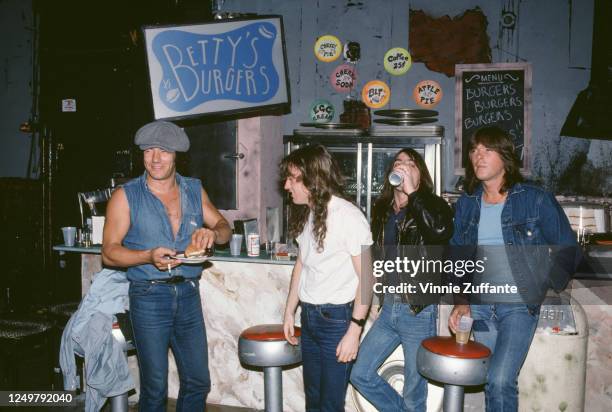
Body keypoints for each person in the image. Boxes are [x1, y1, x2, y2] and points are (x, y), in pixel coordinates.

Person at [447, 126, 579, 412]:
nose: (478, 156)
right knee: (490, 381)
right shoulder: (467, 204)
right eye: (473, 150)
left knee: (500, 379)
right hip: (480, 307)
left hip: (517, 305)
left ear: (505, 157)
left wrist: (543, 285)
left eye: (487, 149)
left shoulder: (535, 199)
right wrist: (460, 301)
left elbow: (568, 248)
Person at [102, 120, 231, 412]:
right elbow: (109, 253)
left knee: (198, 381)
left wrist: (213, 234)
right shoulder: (126, 195)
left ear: (177, 155)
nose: (155, 158)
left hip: (187, 293)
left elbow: (224, 227)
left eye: (164, 151)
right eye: (148, 151)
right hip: (148, 296)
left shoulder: (193, 190)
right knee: (155, 387)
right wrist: (147, 256)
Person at [350, 148, 454, 412]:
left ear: (421, 174)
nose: (403, 166)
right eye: (398, 163)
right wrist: (375, 295)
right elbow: (375, 255)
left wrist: (414, 194)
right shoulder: (382, 209)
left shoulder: (434, 206)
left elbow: (439, 230)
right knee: (359, 373)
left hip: (417, 309)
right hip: (389, 309)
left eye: (411, 164)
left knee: (413, 391)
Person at [281, 144, 373, 412]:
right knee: (313, 399)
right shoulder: (310, 213)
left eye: (292, 178)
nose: (287, 185)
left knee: (331, 403)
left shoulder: (350, 216)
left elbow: (367, 278)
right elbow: (301, 266)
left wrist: (354, 331)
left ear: (311, 179)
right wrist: (289, 312)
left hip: (337, 321)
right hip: (309, 318)